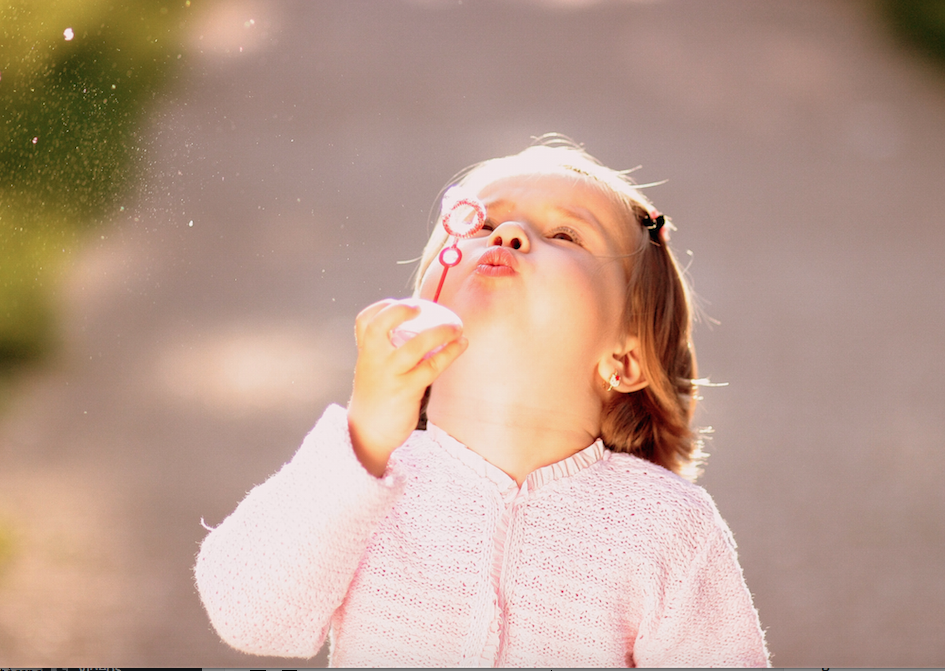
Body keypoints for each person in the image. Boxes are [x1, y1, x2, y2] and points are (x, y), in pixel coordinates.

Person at [194, 138, 770, 667]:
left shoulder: (667, 526)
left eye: (565, 235)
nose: (507, 234)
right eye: (479, 223)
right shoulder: (366, 481)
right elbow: (250, 617)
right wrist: (364, 438)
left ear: (625, 360)